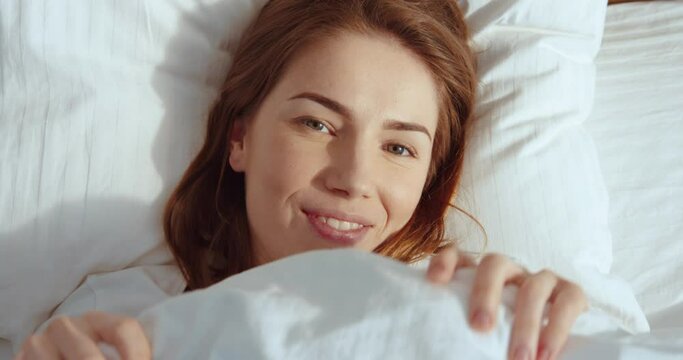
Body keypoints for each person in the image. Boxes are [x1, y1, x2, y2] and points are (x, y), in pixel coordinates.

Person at [16, 1, 587, 359]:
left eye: (398, 147)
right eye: (317, 123)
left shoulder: (478, 308)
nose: (354, 178)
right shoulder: (119, 318)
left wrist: (552, 329)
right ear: (239, 138)